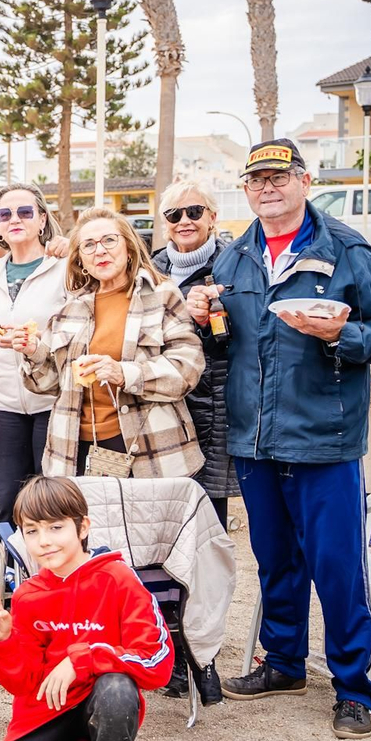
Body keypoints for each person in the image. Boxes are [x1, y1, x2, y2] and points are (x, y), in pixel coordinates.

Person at [186, 138, 371, 739]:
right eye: (256, 178)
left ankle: (354, 688)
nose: (267, 187)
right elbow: (225, 344)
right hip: (255, 439)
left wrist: (339, 335)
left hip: (325, 439)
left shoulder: (344, 248)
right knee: (276, 561)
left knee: (337, 566)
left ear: (304, 181)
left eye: (278, 177)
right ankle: (283, 663)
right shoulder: (233, 259)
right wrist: (201, 314)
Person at [0, 476, 172, 741]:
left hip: (102, 700)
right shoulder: (30, 595)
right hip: (48, 708)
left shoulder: (119, 579)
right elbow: (24, 683)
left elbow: (157, 662)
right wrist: (3, 641)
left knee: (117, 689)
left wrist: (82, 659)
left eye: (56, 527)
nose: (44, 541)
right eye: (32, 531)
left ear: (83, 527)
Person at [13, 209, 204, 482]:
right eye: (88, 245)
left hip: (149, 450)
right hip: (74, 451)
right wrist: (34, 353)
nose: (99, 251)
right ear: (80, 261)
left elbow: (187, 369)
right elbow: (48, 385)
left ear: (128, 248)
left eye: (109, 241)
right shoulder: (70, 308)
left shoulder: (161, 295)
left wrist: (123, 374)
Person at [149, 183, 238, 528]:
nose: (184, 220)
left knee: (208, 518)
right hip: (162, 404)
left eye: (195, 211)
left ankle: (210, 583)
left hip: (213, 404)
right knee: (164, 513)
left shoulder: (234, 264)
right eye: (174, 214)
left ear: (212, 217)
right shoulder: (150, 269)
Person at [0, 187, 67, 520]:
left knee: (51, 504)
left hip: (52, 402)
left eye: (25, 212)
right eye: (5, 214)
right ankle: (17, 571)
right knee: (10, 504)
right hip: (6, 406)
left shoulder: (64, 268)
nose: (15, 219)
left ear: (42, 219)